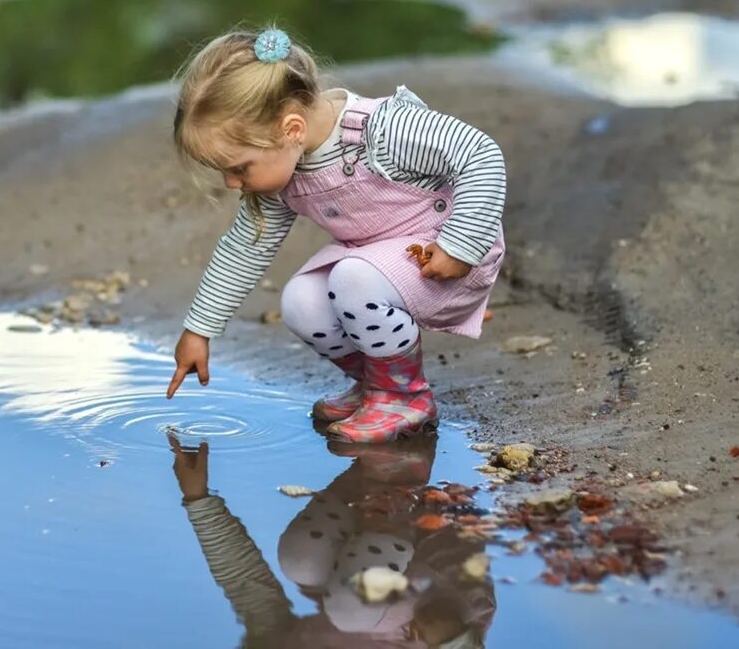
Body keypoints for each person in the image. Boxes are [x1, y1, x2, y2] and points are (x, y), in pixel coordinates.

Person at [165, 27, 506, 443]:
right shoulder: (284, 168)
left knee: (350, 277)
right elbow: (244, 248)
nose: (233, 183)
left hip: (447, 255)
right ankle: (377, 387)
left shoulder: (383, 131)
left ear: (290, 128)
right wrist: (198, 330)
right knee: (300, 301)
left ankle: (404, 398)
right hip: (379, 265)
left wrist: (460, 246)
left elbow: (480, 153)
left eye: (239, 167)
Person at [167, 432, 497, 647]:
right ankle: (399, 481)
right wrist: (445, 634)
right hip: (434, 567)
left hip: (366, 555)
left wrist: (199, 499)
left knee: (301, 562)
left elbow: (249, 588)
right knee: (349, 611)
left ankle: (380, 471)